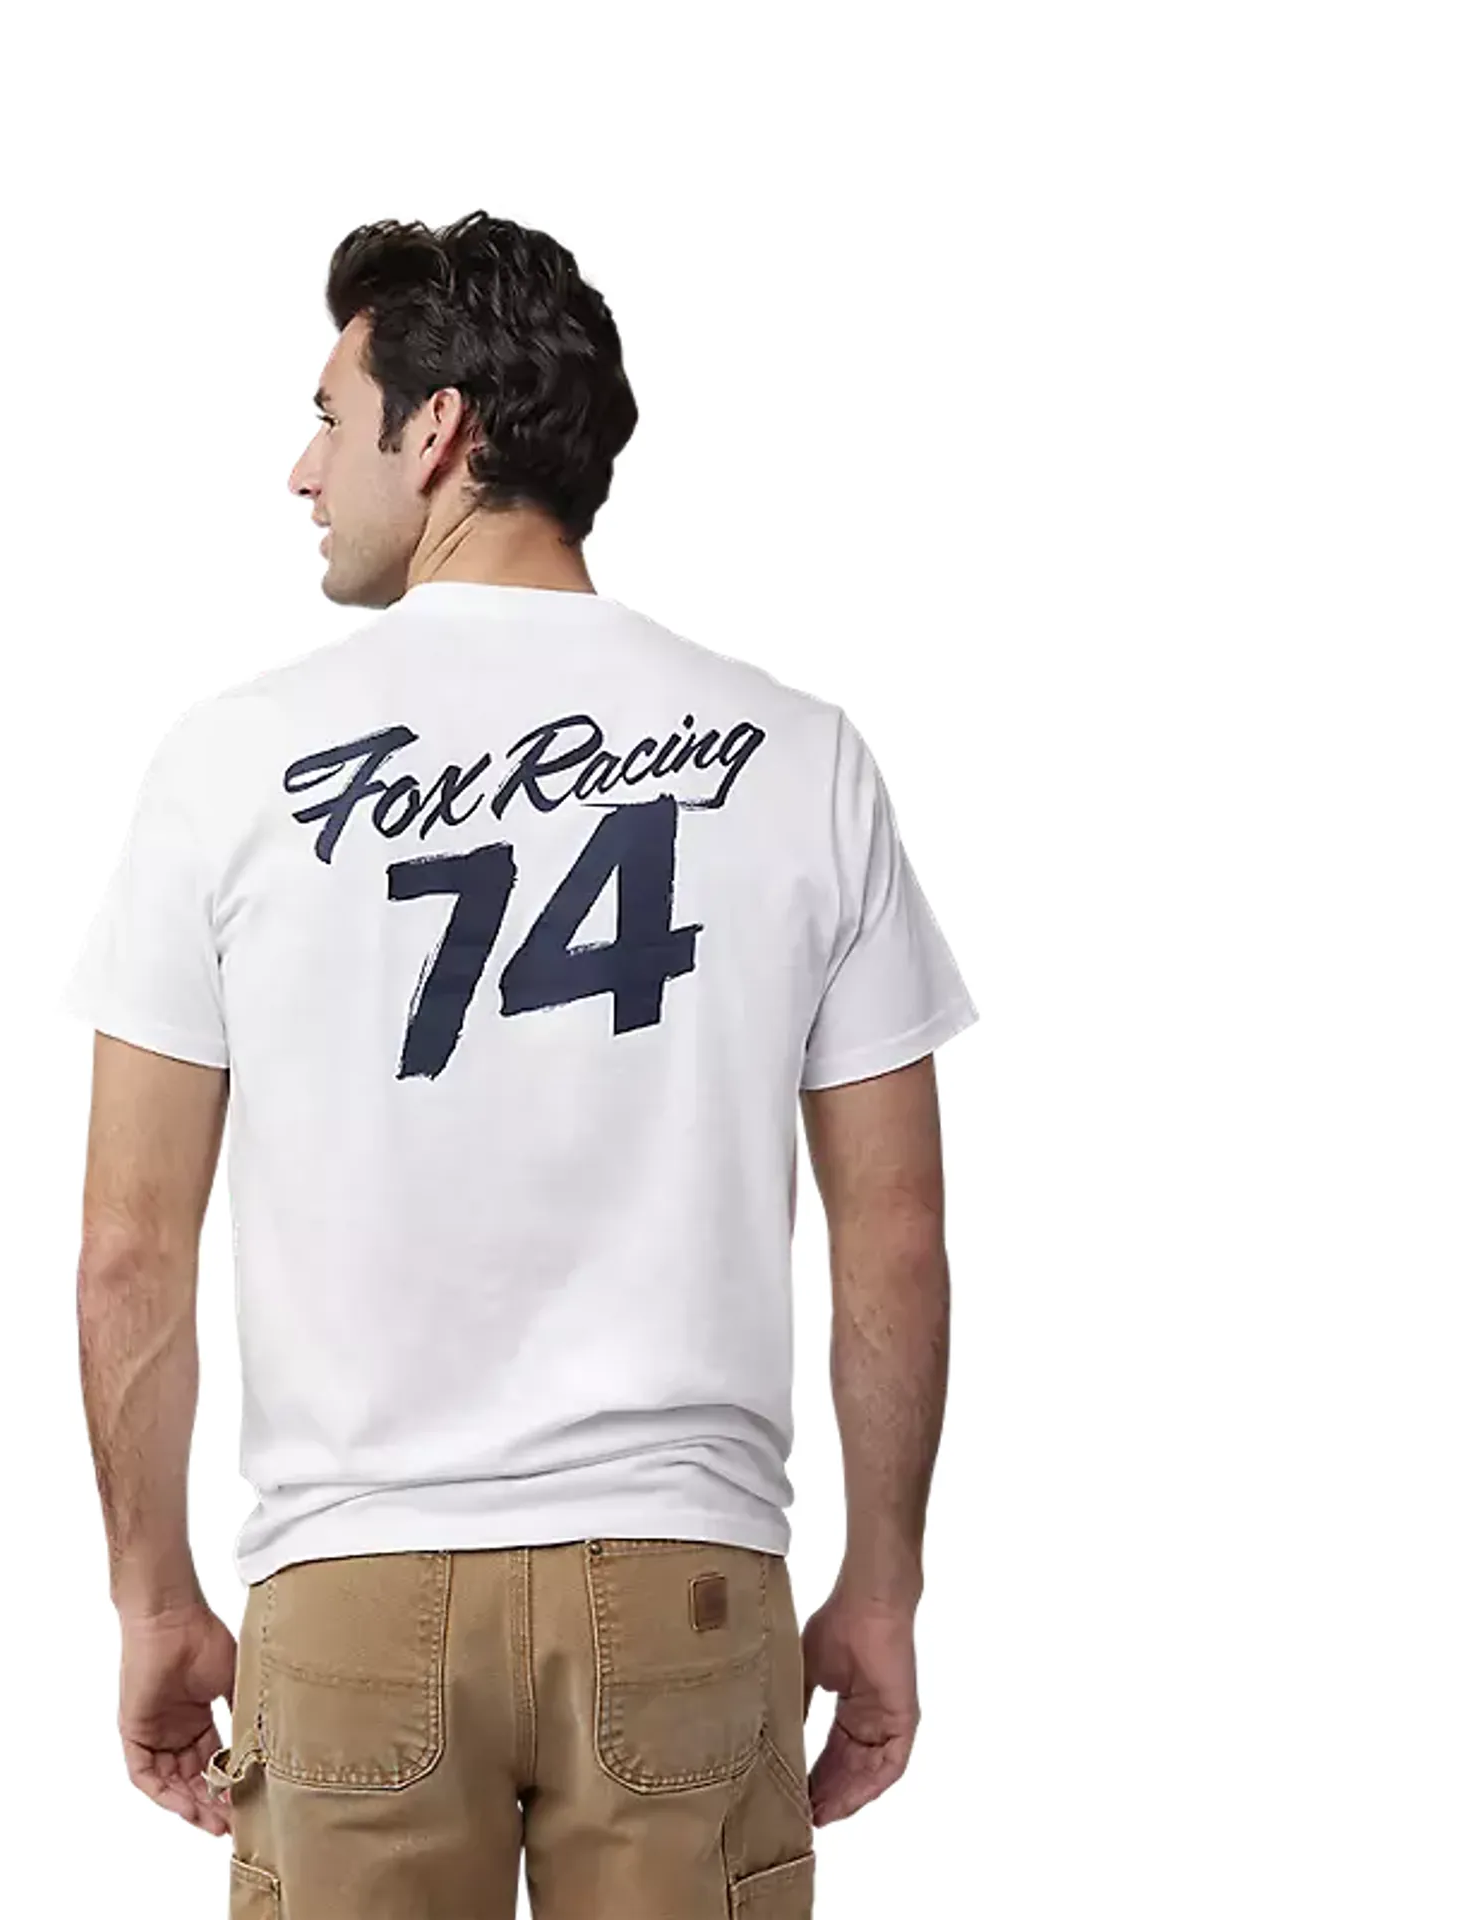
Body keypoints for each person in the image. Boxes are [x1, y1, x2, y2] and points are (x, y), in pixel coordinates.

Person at [62, 209, 977, 1920]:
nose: (301, 469)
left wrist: (150, 1592)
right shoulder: (803, 759)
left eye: (329, 417)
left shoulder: (229, 766)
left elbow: (130, 1250)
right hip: (688, 1587)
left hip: (352, 1590)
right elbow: (896, 1239)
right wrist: (886, 1582)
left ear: (440, 428)